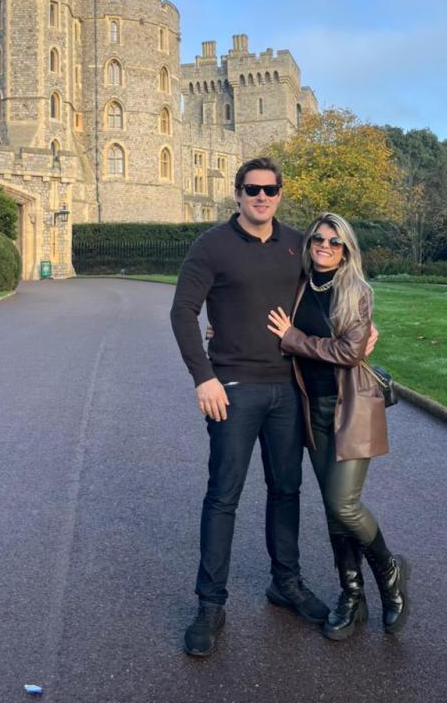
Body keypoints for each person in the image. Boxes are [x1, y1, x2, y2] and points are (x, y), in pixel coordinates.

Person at [170, 158, 330, 657]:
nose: (262, 196)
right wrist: (204, 377)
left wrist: (361, 327)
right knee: (223, 495)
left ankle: (286, 583)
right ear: (237, 193)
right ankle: (210, 604)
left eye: (270, 189)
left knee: (286, 489)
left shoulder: (298, 244)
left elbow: (334, 284)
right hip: (233, 388)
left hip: (287, 387)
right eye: (252, 189)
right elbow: (183, 312)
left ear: (280, 193)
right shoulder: (212, 245)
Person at [267, 213, 410, 640]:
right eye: (318, 238)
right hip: (312, 410)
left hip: (351, 409)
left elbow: (349, 353)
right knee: (333, 509)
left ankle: (389, 570)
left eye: (335, 241)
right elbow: (260, 309)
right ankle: (352, 595)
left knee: (344, 503)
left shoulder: (357, 291)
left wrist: (294, 339)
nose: (325, 246)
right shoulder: (299, 285)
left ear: (346, 250)